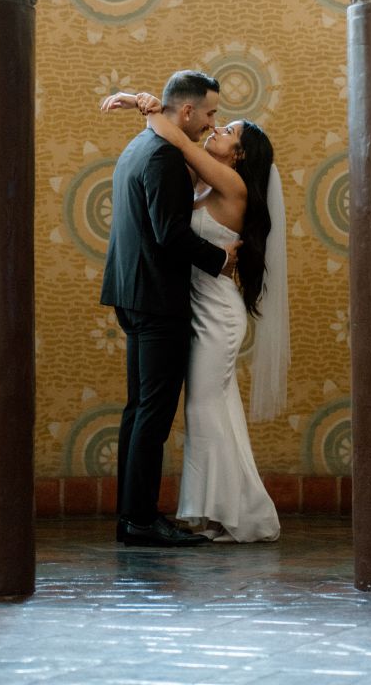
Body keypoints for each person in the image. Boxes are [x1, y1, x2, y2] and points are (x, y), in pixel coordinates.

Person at [102, 89, 289, 543]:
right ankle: (213, 509)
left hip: (217, 313)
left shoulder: (234, 185)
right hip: (191, 305)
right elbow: (173, 140)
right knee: (206, 409)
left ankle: (215, 511)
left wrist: (148, 106)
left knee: (204, 408)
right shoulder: (206, 182)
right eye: (213, 118)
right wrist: (145, 102)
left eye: (225, 130)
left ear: (240, 155)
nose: (214, 128)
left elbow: (178, 139)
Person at [100, 70, 239, 548]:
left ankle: (130, 516)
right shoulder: (163, 158)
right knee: (153, 414)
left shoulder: (141, 146)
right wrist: (220, 260)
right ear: (186, 111)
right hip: (158, 299)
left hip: (132, 292)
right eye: (210, 113)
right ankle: (140, 520)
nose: (211, 121)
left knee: (138, 409)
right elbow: (169, 234)